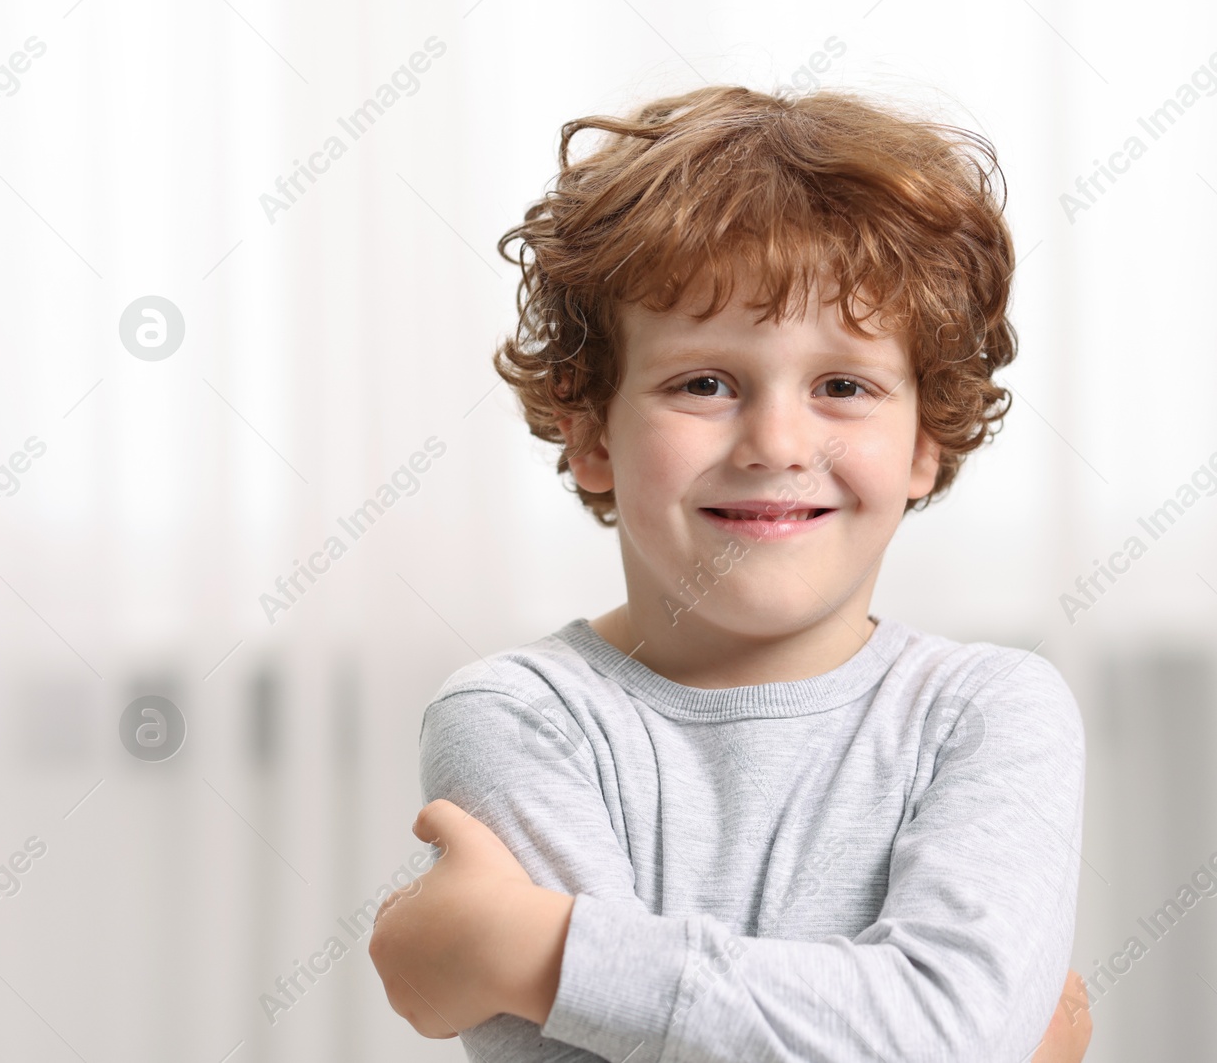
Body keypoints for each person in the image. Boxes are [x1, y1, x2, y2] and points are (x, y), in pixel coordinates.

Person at [369, 83, 1092, 1062]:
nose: (777, 441)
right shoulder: (519, 717)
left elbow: (947, 1037)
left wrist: (533, 951)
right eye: (703, 381)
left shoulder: (991, 710)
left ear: (925, 440)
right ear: (590, 435)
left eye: (843, 384)